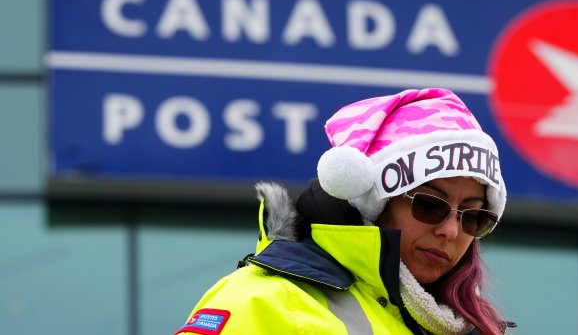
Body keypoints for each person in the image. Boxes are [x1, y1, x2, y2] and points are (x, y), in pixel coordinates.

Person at [176, 88, 513, 335]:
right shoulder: (265, 300)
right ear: (372, 201)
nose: (451, 231)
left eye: (472, 217)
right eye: (429, 205)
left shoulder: (464, 325)